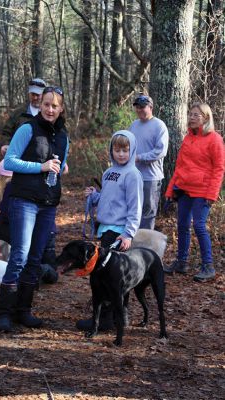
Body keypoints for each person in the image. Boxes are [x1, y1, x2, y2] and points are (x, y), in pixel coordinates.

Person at [0, 86, 69, 332]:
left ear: (61, 109)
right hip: (24, 199)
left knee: (35, 259)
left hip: (48, 204)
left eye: (54, 105)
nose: (49, 109)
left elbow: (61, 165)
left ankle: (23, 311)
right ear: (40, 105)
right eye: (46, 104)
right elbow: (10, 161)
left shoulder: (63, 136)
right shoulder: (27, 128)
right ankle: (4, 313)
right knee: (20, 256)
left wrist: (59, 167)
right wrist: (41, 166)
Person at [76, 130, 143, 331]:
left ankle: (106, 319)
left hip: (119, 233)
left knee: (109, 277)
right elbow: (109, 198)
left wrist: (128, 233)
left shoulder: (133, 175)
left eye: (125, 150)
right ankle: (119, 318)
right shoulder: (108, 172)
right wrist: (95, 196)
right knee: (110, 275)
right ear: (111, 150)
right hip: (105, 229)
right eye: (117, 149)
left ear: (131, 151)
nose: (121, 154)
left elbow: (135, 206)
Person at [164, 102, 224, 282]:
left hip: (203, 191)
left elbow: (219, 169)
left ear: (206, 118)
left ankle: (208, 266)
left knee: (199, 226)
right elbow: (179, 167)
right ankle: (181, 262)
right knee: (182, 225)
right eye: (190, 114)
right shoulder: (187, 138)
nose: (191, 118)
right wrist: (170, 190)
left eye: (196, 115)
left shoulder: (214, 139)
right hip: (183, 189)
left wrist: (211, 195)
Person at [129, 94, 169, 229]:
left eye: (142, 107)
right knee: (134, 209)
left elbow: (160, 151)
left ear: (150, 107)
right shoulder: (134, 125)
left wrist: (139, 157)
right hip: (134, 175)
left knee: (148, 212)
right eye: (137, 107)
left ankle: (145, 246)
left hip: (151, 177)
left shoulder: (159, 125)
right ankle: (132, 242)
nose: (139, 110)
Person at [0, 78, 46, 156]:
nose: (35, 98)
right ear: (29, 94)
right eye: (33, 94)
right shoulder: (18, 113)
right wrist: (6, 144)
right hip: (19, 157)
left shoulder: (49, 114)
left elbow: (59, 137)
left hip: (42, 160)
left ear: (44, 95)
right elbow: (6, 132)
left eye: (38, 95)